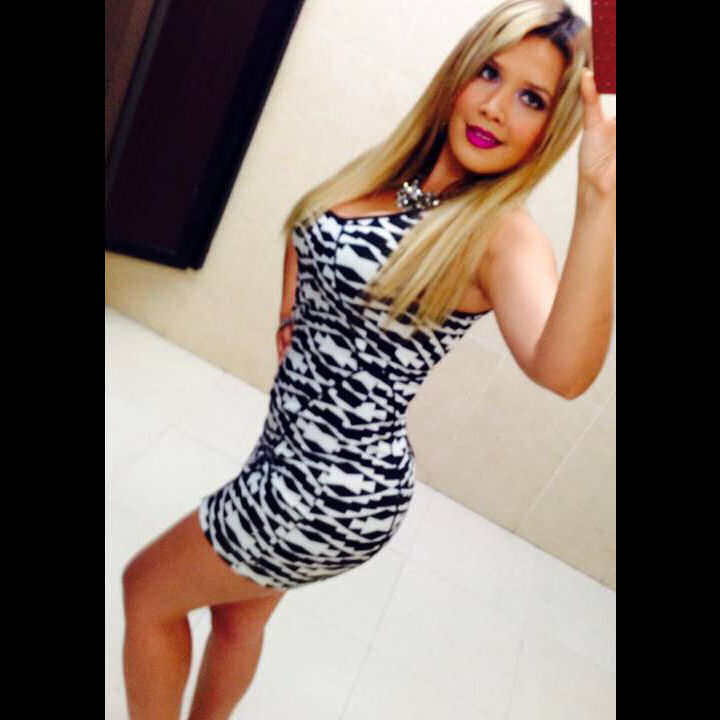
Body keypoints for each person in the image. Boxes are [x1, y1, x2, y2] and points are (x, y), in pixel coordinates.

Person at [121, 1, 615, 717]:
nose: (497, 108)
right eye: (489, 73)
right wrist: (291, 317)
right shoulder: (396, 176)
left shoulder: (499, 235)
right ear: (458, 73)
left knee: (145, 593)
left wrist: (600, 197)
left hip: (331, 488)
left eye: (532, 99)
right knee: (238, 617)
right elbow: (309, 225)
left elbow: (563, 372)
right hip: (291, 450)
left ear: (553, 127)